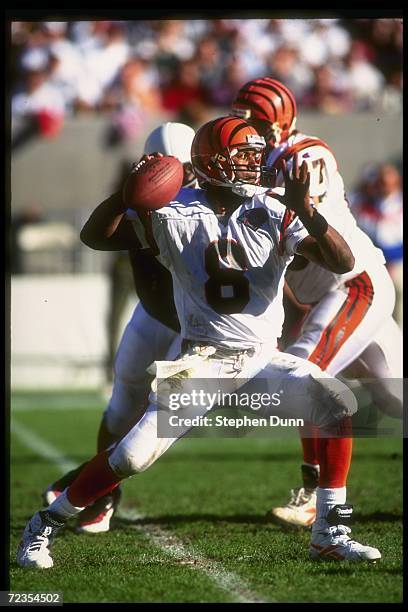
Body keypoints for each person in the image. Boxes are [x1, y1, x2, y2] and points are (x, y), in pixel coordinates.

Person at [17, 116, 381, 570]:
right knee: (130, 456)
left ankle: (330, 531)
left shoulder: (272, 206)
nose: (257, 163)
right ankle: (42, 526)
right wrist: (122, 196)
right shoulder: (173, 212)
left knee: (334, 400)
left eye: (256, 154)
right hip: (204, 361)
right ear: (214, 162)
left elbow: (343, 260)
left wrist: (307, 211)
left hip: (262, 358)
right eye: (245, 156)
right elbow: (94, 237)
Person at [231, 77, 403, 528]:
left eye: (255, 122)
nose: (246, 131)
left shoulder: (307, 155)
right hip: (328, 294)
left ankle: (315, 494)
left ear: (279, 121)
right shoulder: (255, 162)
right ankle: (314, 487)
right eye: (241, 121)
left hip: (353, 284)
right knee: (393, 397)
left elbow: (307, 220)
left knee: (304, 378)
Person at [42, 122, 196, 534]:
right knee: (121, 406)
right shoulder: (138, 207)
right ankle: (102, 497)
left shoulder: (206, 208)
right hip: (152, 316)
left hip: (198, 330)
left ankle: (84, 481)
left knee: (163, 422)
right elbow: (94, 235)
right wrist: (127, 194)